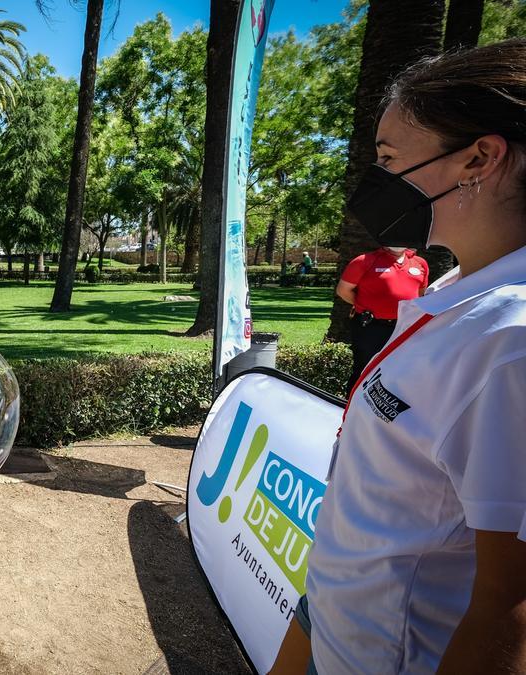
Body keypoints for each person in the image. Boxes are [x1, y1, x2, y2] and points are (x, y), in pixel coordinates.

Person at [269, 40, 526, 675]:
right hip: (337, 626)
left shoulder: (511, 342)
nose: (376, 184)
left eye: (388, 160)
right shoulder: (454, 292)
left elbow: (509, 607)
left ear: (479, 158)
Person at [336, 245, 429, 391]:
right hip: (371, 327)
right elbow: (343, 290)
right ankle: (350, 409)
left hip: (404, 328)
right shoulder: (364, 261)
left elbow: (420, 292)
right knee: (364, 370)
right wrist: (364, 305)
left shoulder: (420, 263)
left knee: (399, 372)